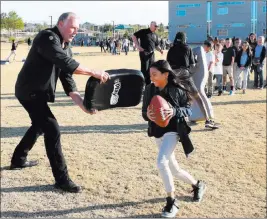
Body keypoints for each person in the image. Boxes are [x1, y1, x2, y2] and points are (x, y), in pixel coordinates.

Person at [10, 12, 110, 193]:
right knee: (52, 128)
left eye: (77, 29)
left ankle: (18, 159)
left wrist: (82, 104)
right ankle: (62, 179)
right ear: (61, 23)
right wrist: (94, 72)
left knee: (40, 125)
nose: (75, 32)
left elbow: (67, 77)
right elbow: (65, 62)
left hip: (38, 93)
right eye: (72, 27)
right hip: (28, 91)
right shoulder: (47, 38)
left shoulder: (67, 45)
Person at [142, 60, 206, 218]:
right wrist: (147, 115)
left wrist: (174, 111)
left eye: (155, 74)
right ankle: (198, 185)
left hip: (173, 131)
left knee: (161, 162)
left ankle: (172, 201)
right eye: (150, 74)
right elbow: (144, 111)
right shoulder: (149, 89)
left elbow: (188, 111)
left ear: (165, 74)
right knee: (174, 169)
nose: (151, 77)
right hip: (157, 131)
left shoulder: (177, 89)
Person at [167, 32, 218, 129]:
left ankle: (176, 122)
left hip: (173, 76)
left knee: (176, 100)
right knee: (197, 97)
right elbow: (193, 65)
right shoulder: (187, 48)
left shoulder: (171, 49)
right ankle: (208, 120)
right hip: (184, 74)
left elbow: (168, 64)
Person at [132, 21, 163, 85]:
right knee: (145, 70)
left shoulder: (155, 35)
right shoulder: (143, 31)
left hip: (152, 54)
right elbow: (134, 36)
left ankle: (148, 85)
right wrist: (138, 46)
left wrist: (160, 50)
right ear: (151, 25)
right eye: (155, 26)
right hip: (144, 53)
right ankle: (142, 85)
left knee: (151, 70)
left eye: (157, 26)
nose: (156, 28)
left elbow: (156, 45)